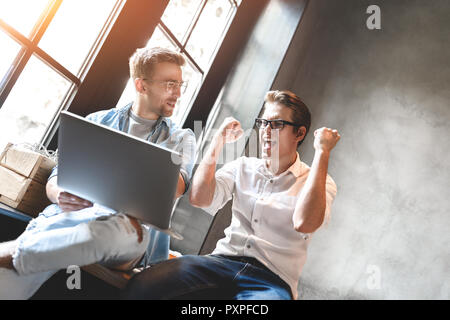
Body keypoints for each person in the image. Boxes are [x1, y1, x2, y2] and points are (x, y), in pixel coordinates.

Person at [0, 47, 196, 299]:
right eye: (170, 84)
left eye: (181, 84)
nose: (178, 93)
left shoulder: (181, 138)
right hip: (69, 218)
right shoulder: (97, 120)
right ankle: (20, 254)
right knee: (20, 270)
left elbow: (174, 188)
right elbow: (56, 178)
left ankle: (11, 251)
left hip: (130, 233)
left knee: (112, 228)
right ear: (141, 85)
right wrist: (61, 194)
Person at [122, 90, 340, 300]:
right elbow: (199, 198)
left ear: (299, 133)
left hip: (271, 280)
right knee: (143, 285)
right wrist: (218, 141)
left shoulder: (319, 182)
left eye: (276, 124)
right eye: (263, 123)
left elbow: (305, 223)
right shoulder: (243, 166)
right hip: (220, 262)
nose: (265, 131)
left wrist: (323, 152)